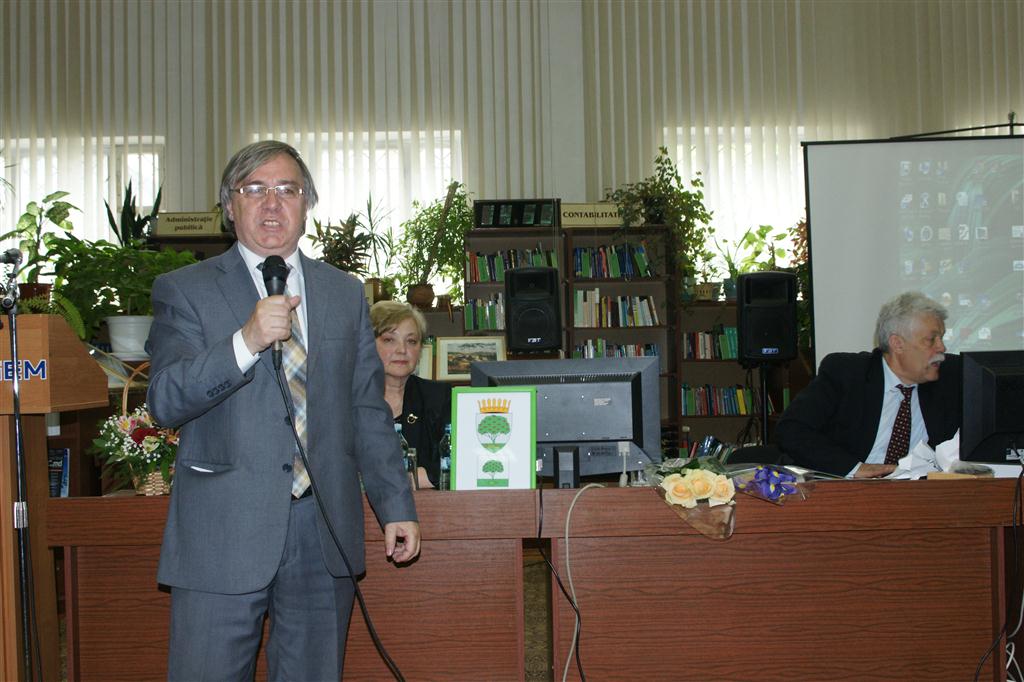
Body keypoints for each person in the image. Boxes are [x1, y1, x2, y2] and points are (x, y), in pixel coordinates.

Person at [146, 140, 420, 681]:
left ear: (306, 204)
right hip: (222, 534)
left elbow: (367, 410)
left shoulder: (343, 292)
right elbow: (166, 400)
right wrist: (245, 342)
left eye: (287, 189)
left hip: (322, 530)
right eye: (254, 189)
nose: (272, 203)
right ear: (230, 206)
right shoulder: (185, 290)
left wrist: (396, 504)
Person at [775, 291, 961, 478]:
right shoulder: (846, 373)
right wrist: (855, 468)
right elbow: (792, 430)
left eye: (941, 338)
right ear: (897, 344)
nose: (941, 347)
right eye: (931, 339)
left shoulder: (952, 376)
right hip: (848, 487)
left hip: (919, 490)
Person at [370, 300, 453, 489]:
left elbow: (455, 463)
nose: (402, 350)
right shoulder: (348, 399)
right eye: (389, 340)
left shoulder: (439, 397)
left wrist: (396, 480)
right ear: (368, 345)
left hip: (431, 504)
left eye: (411, 341)